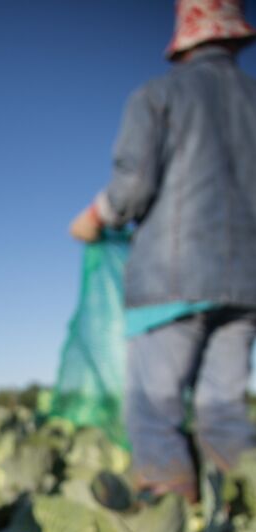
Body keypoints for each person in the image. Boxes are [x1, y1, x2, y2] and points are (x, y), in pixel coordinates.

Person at [70, 0, 256, 502]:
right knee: (224, 408)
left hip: (174, 279)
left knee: (154, 407)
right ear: (235, 37)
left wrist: (95, 217)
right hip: (247, 285)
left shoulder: (158, 96)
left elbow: (131, 188)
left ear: (184, 43)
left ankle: (173, 531)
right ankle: (243, 508)